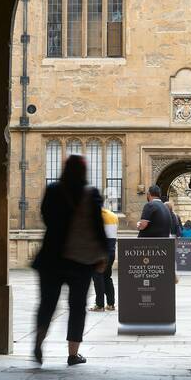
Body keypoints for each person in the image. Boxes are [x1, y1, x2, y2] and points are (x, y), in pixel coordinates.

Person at [33, 154, 107, 366]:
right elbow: (97, 227)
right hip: (80, 261)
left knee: (47, 304)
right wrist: (103, 254)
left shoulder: (53, 190)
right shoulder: (90, 194)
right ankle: (73, 354)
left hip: (52, 259)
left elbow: (45, 217)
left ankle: (38, 342)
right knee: (77, 307)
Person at [89, 206, 119, 312]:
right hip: (111, 252)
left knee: (98, 277)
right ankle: (111, 304)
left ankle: (99, 305)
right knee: (107, 277)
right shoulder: (114, 216)